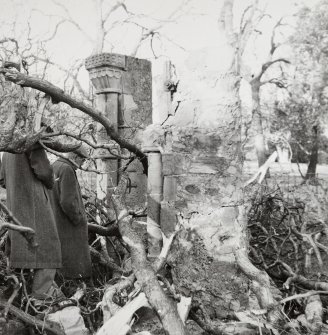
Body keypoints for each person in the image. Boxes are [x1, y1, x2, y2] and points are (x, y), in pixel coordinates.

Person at [0, 143, 62, 301]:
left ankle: (17, 296)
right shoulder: (32, 141)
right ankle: (41, 298)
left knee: (20, 252)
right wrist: (51, 181)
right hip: (36, 204)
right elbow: (45, 172)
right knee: (49, 249)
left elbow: (2, 179)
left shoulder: (8, 147)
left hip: (16, 208)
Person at [50, 146, 92, 281]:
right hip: (68, 226)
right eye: (83, 160)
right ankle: (75, 288)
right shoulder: (67, 169)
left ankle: (65, 286)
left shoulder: (55, 166)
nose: (82, 165)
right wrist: (78, 219)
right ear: (76, 157)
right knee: (74, 265)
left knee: (61, 261)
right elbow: (67, 202)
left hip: (55, 221)